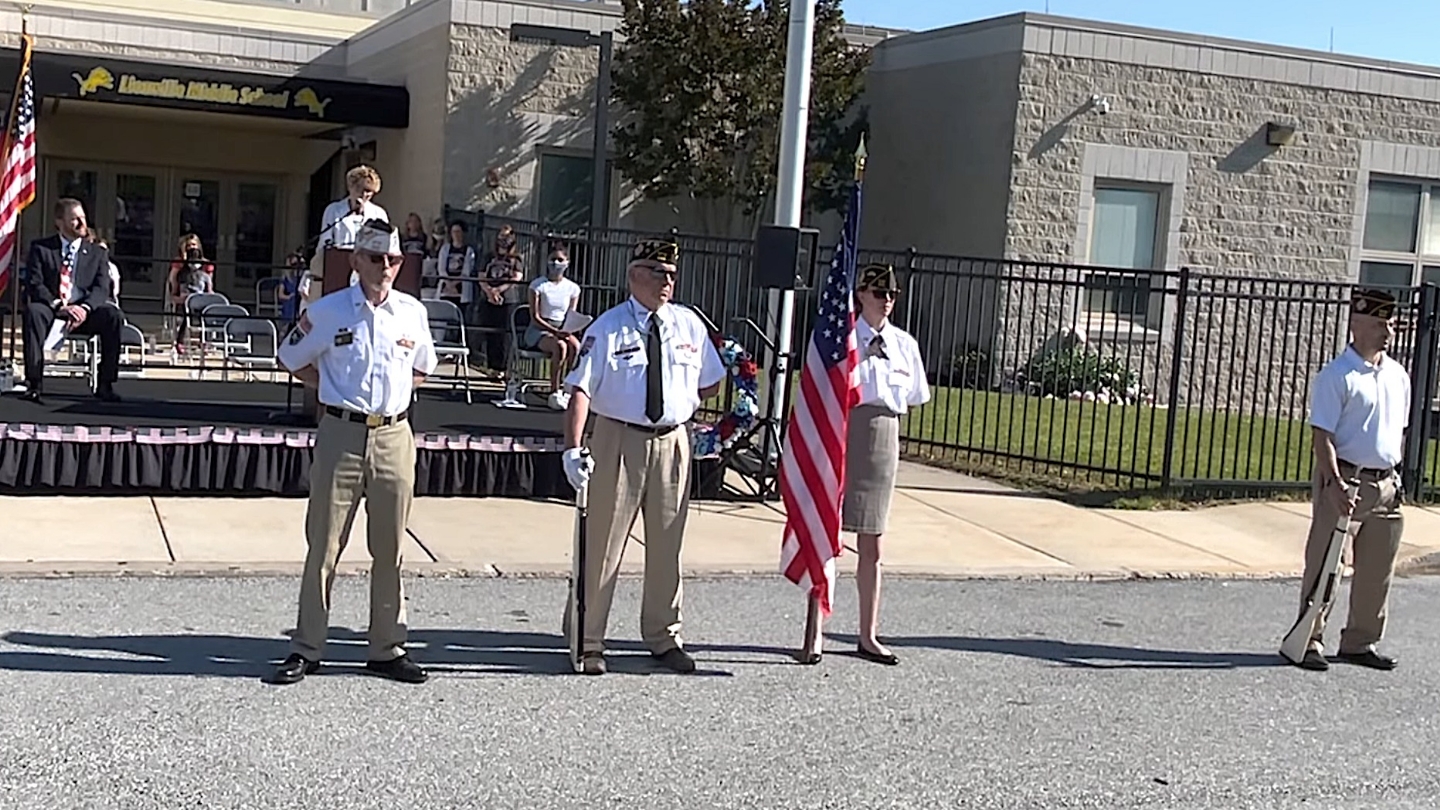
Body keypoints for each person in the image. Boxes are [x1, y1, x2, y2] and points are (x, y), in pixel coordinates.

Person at [269, 219, 438, 686]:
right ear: (358, 260)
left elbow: (423, 368)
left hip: (394, 437)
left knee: (391, 549)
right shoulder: (328, 311)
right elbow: (290, 357)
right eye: (377, 258)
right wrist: (332, 390)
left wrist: (398, 398)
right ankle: (307, 647)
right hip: (341, 434)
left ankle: (387, 648)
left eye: (394, 259)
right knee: (323, 544)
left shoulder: (411, 313)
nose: (386, 267)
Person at [560, 238, 726, 675]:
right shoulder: (608, 327)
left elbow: (710, 380)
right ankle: (587, 638)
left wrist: (682, 403)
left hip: (672, 441)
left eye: (671, 273)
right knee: (602, 546)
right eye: (657, 272)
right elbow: (580, 389)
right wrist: (573, 447)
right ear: (634, 275)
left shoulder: (688, 324)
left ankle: (664, 635)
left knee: (667, 545)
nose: (667, 281)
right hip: (619, 438)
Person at [1288, 287, 1410, 673]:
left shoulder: (1397, 375)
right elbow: (1321, 436)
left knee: (1377, 572)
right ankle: (1308, 639)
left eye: (1390, 323)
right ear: (1357, 324)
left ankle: (1360, 641)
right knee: (1327, 566)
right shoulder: (1336, 375)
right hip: (1346, 481)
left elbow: (1396, 431)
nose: (1388, 331)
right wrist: (1335, 483)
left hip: (1387, 485)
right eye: (1380, 323)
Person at [20, 198, 124, 404]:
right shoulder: (41, 248)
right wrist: (60, 306)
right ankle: (34, 383)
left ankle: (105, 384)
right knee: (33, 312)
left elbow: (102, 288)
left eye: (83, 218)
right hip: (53, 307)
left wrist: (84, 308)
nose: (82, 224)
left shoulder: (97, 252)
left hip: (84, 311)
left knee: (113, 316)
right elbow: (35, 283)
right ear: (59, 222)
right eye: (75, 219)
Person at [306, 164, 388, 307]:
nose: (364, 195)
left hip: (367, 271)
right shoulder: (334, 210)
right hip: (339, 270)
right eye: (360, 190)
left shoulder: (379, 214)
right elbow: (325, 242)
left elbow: (385, 244)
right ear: (350, 187)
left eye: (369, 192)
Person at [524, 244, 582, 410]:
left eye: (560, 260)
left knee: (576, 347)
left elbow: (572, 313)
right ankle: (554, 391)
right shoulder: (538, 285)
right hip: (540, 329)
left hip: (562, 328)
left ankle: (568, 388)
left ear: (567, 263)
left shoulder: (573, 288)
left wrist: (568, 329)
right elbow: (535, 317)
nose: (556, 263)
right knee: (560, 347)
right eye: (553, 259)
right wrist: (555, 332)